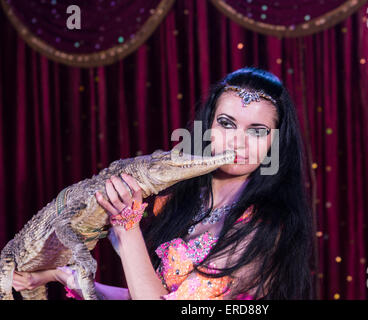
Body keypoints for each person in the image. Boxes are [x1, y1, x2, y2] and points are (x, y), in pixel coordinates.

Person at [12, 67, 314, 300]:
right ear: (207, 127)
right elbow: (149, 293)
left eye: (257, 131)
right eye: (226, 123)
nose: (238, 141)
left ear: (275, 144)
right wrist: (62, 275)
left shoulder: (267, 225)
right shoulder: (179, 201)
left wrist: (127, 229)